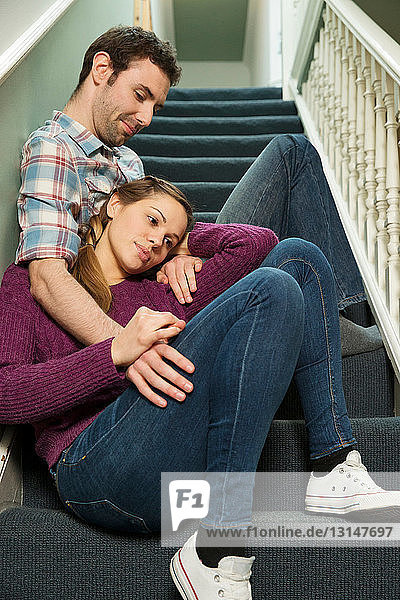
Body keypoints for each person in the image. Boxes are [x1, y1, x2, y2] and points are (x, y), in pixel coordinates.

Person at [3, 176, 400, 600]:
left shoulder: (166, 291)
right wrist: (114, 354)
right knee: (272, 287)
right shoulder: (31, 282)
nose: (155, 241)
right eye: (151, 220)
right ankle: (222, 540)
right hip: (94, 467)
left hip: (176, 478)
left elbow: (258, 243)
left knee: (297, 262)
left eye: (167, 238)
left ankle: (334, 459)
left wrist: (187, 246)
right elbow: (6, 394)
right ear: (113, 204)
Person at [15, 26, 381, 399]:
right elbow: (47, 277)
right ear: (101, 69)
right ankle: (346, 323)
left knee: (294, 159)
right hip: (133, 315)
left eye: (155, 107)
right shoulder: (54, 150)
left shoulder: (128, 160)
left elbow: (154, 234)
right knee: (286, 172)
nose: (146, 119)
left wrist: (178, 250)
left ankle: (347, 312)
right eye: (140, 96)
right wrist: (124, 346)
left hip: (166, 289)